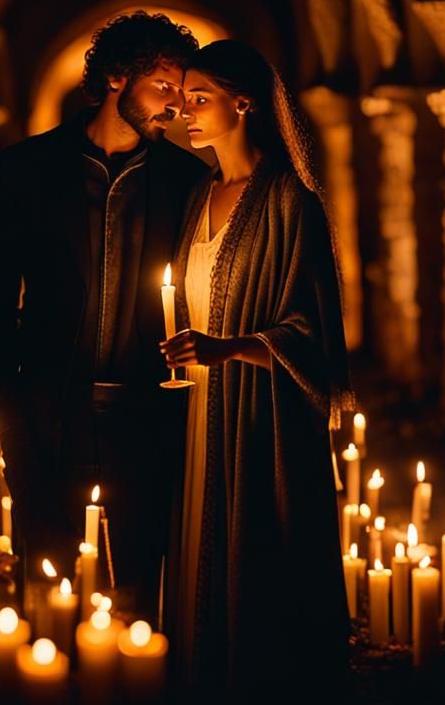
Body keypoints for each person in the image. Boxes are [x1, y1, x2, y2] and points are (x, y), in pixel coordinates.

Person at [0, 10, 207, 618]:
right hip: (51, 417)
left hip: (148, 420)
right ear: (114, 78)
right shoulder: (27, 169)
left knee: (137, 599)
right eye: (163, 88)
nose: (174, 108)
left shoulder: (188, 181)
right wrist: (11, 415)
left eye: (182, 96)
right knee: (48, 596)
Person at [160, 39, 354, 691]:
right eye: (184, 99)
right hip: (199, 414)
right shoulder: (200, 196)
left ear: (243, 101)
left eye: (200, 97)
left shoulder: (288, 201)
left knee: (253, 560)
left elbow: (311, 333)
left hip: (260, 421)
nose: (186, 111)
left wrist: (228, 348)